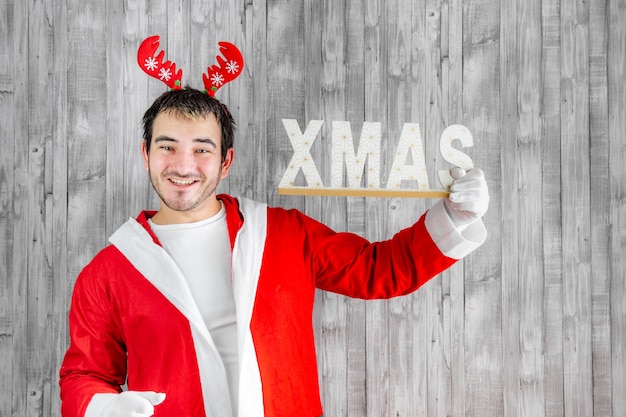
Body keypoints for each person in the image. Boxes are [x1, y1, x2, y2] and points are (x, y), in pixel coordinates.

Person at [59, 88, 489, 417]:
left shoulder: (285, 233)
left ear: (225, 161)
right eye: (167, 146)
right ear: (146, 154)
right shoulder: (109, 271)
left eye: (201, 149)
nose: (183, 165)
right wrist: (99, 406)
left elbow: (383, 270)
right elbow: (85, 374)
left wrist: (456, 215)